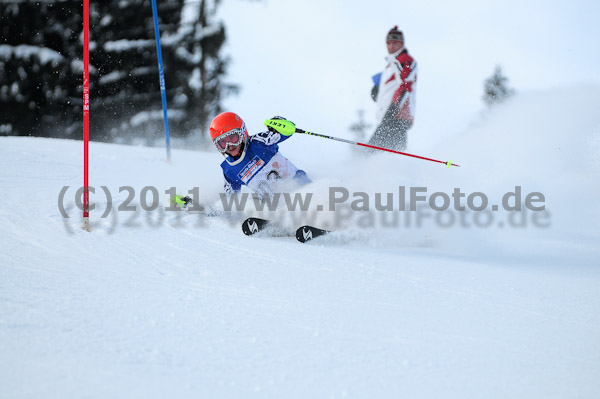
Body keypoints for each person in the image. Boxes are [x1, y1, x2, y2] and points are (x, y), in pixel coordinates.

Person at [209, 112, 311, 197]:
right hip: (276, 203)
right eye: (222, 143)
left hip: (300, 186)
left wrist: (280, 124)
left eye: (233, 138)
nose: (229, 145)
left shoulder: (260, 142)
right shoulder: (229, 170)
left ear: (243, 132)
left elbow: (288, 131)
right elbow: (232, 200)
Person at [368, 26, 417, 152]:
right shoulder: (391, 65)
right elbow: (391, 89)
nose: (391, 46)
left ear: (402, 43)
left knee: (370, 153)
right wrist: (377, 92)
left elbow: (406, 85)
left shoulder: (404, 60)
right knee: (383, 154)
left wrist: (393, 108)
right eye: (388, 43)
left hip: (396, 117)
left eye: (395, 43)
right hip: (388, 117)